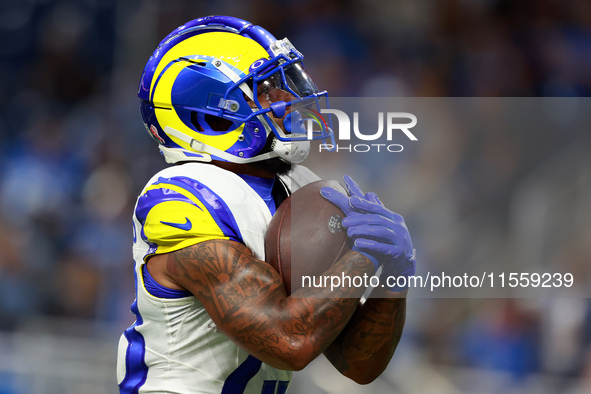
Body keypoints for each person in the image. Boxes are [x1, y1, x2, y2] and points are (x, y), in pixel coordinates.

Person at [117, 15, 416, 394]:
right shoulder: (182, 197)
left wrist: (393, 277)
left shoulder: (298, 188)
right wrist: (364, 258)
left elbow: (358, 363)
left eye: (283, 84)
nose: (288, 99)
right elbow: (289, 342)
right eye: (266, 89)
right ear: (209, 111)